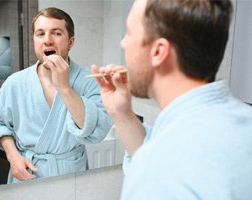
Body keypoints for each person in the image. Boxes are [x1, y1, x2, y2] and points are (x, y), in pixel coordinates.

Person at [90, 0, 252, 199]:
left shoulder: (156, 170)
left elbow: (163, 164)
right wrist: (120, 112)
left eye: (129, 32)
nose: (123, 43)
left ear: (158, 52)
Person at [0, 7, 112, 184]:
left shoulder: (89, 81)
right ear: (34, 40)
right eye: (40, 34)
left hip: (70, 175)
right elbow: (1, 125)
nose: (47, 40)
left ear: (71, 42)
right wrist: (12, 156)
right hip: (27, 173)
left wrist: (65, 88)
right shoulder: (14, 83)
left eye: (56, 33)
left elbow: (96, 132)